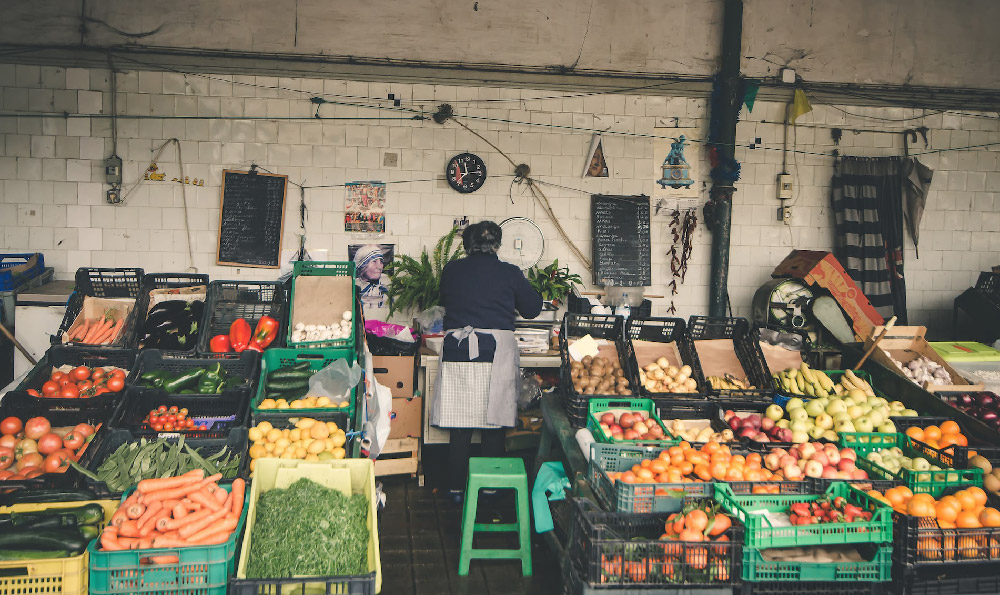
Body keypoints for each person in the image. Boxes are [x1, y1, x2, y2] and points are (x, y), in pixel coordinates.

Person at [433, 221, 543, 502]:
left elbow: (446, 299)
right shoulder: (510, 272)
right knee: (494, 426)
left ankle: (456, 490)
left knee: (461, 427)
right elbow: (531, 309)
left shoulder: (452, 270)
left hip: (459, 352)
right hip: (495, 354)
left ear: (467, 246)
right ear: (497, 245)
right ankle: (489, 490)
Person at [354, 245, 390, 310]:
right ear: (362, 265)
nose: (379, 267)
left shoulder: (387, 285)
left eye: (381, 262)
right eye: (374, 261)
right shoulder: (353, 286)